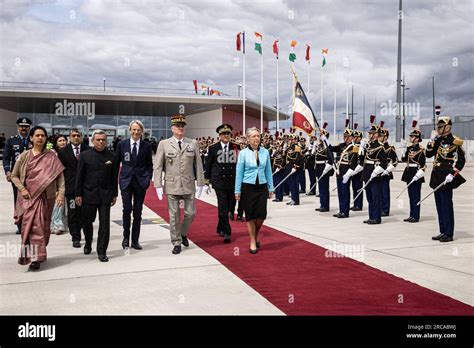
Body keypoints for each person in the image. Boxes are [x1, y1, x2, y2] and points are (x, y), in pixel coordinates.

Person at [10, 126, 65, 271]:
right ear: (32, 138)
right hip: (28, 197)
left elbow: (60, 178)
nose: (40, 138)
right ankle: (35, 258)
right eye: (38, 135)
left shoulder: (51, 157)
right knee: (30, 228)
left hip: (46, 198)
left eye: (43, 135)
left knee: (43, 228)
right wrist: (22, 189)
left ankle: (38, 252)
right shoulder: (24, 156)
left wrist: (60, 194)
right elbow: (14, 176)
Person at [154, 115, 205, 255]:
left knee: (191, 213)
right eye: (177, 126)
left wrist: (201, 182)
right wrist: (157, 184)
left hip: (188, 184)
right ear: (172, 128)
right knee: (174, 215)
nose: (180, 128)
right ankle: (176, 242)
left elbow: (198, 164)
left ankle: (183, 233)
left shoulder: (192, 143)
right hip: (171, 185)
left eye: (182, 125)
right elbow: (157, 166)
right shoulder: (164, 144)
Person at [75, 130, 119, 262]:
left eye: (103, 140)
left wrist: (114, 194)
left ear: (107, 141)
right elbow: (79, 176)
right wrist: (78, 194)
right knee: (87, 222)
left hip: (105, 195)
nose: (101, 142)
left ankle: (102, 251)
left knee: (104, 224)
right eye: (98, 139)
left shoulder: (112, 156)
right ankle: (88, 243)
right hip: (88, 194)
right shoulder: (84, 155)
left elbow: (114, 177)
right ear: (93, 141)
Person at [426, 116, 466, 242]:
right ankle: (442, 230)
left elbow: (461, 160)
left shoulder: (455, 141)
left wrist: (453, 174)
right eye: (438, 127)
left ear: (447, 127)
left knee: (446, 205)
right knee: (439, 205)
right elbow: (429, 154)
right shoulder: (439, 140)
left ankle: (449, 233)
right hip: (437, 175)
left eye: (440, 127)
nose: (438, 129)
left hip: (446, 176)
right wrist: (430, 142)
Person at [235, 127, 274, 254]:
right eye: (253, 136)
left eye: (258, 136)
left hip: (262, 186)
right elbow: (239, 173)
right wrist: (237, 190)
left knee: (261, 215)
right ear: (248, 139)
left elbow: (268, 170)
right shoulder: (243, 153)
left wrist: (271, 187)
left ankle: (256, 234)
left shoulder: (265, 152)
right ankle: (252, 240)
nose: (256, 138)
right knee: (250, 215)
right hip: (248, 186)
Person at [116, 120, 153, 250]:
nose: (136, 132)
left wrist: (147, 179)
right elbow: (116, 164)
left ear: (142, 131)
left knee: (138, 212)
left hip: (140, 182)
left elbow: (150, 165)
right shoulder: (122, 144)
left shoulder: (146, 146)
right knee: (127, 210)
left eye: (138, 130)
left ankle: (135, 240)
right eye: (134, 129)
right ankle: (125, 238)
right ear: (129, 130)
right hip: (126, 181)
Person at [204, 124, 238, 243]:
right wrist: (206, 181)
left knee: (229, 206)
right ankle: (227, 232)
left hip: (232, 181)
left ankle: (220, 227)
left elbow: (239, 165)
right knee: (223, 207)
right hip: (219, 181)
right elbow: (208, 165)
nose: (226, 136)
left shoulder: (235, 147)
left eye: (228, 133)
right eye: (224, 134)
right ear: (219, 136)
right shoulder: (213, 148)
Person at [58, 128, 91, 248]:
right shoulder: (63, 152)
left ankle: (86, 234)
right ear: (69, 137)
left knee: (84, 213)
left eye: (78, 135)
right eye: (73, 135)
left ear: (81, 137)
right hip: (71, 188)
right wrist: (59, 189)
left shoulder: (88, 150)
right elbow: (59, 172)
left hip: (86, 188)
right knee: (73, 213)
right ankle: (75, 237)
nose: (76, 137)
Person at [3, 117, 32, 234]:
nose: (24, 128)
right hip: (17, 177)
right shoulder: (11, 141)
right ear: (18, 127)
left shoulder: (33, 139)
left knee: (32, 200)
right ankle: (20, 224)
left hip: (32, 176)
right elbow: (6, 158)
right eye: (21, 126)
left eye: (26, 126)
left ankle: (30, 223)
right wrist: (7, 171)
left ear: (29, 127)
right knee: (18, 200)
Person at [358, 116, 388, 225]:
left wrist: (376, 172)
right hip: (367, 173)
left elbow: (384, 163)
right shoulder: (368, 146)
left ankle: (377, 217)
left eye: (372, 133)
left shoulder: (380, 147)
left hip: (374, 175)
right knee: (369, 197)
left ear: (376, 135)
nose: (369, 135)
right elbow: (362, 161)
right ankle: (371, 216)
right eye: (369, 133)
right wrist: (361, 149)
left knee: (376, 197)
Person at [329, 120, 359, 218]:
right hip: (339, 171)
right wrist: (324, 139)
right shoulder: (341, 145)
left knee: (345, 192)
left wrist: (349, 173)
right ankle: (341, 210)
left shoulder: (354, 147)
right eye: (344, 136)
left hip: (346, 171)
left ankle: (345, 212)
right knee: (340, 192)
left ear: (351, 138)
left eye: (347, 136)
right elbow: (331, 148)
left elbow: (354, 162)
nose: (345, 138)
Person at [400, 121, 426, 223]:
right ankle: (411, 214)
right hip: (409, 173)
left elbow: (422, 164)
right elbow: (404, 159)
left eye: (412, 137)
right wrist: (403, 150)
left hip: (416, 173)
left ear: (417, 138)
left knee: (416, 196)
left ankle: (416, 216)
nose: (410, 138)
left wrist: (418, 175)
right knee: (411, 196)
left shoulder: (420, 149)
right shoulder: (409, 148)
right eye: (411, 136)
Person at [313, 123, 335, 213]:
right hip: (318, 167)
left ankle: (325, 206)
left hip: (324, 167)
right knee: (321, 187)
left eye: (321, 136)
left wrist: (326, 169)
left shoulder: (327, 146)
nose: (319, 137)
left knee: (324, 187)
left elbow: (331, 158)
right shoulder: (320, 146)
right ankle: (322, 204)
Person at [379, 122, 399, 217]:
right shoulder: (378, 147)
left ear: (386, 137)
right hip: (377, 172)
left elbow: (395, 161)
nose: (379, 137)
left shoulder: (390, 148)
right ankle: (379, 208)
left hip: (385, 172)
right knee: (378, 192)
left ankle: (385, 210)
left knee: (385, 192)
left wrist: (388, 170)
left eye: (381, 136)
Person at [50, 135, 68, 235]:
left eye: (64, 140)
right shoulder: (53, 154)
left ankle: (62, 224)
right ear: (56, 143)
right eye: (60, 141)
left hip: (67, 181)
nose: (62, 142)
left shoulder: (69, 152)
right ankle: (56, 225)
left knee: (63, 204)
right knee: (58, 203)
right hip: (56, 181)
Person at [284, 133, 303, 206]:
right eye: (290, 139)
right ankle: (292, 198)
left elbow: (299, 158)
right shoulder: (290, 147)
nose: (290, 140)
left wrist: (295, 167)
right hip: (289, 167)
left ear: (295, 140)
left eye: (292, 139)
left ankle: (295, 200)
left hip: (293, 167)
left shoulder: (297, 147)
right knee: (290, 184)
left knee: (294, 184)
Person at [350, 124, 364, 211]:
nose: (354, 138)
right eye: (353, 137)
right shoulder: (353, 145)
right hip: (352, 170)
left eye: (356, 137)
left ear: (360, 138)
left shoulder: (360, 146)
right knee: (354, 187)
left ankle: (359, 205)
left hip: (358, 170)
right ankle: (355, 203)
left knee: (358, 188)